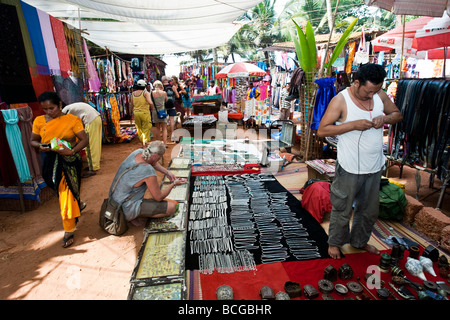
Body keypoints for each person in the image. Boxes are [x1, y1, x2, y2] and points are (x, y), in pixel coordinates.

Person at [317, 63, 403, 259]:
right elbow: (322, 130)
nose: (372, 95)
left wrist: (385, 119)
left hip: (374, 165)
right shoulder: (341, 100)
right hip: (349, 166)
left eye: (376, 90)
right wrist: (352, 125)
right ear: (356, 83)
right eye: (368, 91)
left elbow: (397, 115)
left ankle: (359, 242)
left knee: (368, 210)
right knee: (343, 207)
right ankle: (335, 243)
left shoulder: (379, 95)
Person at [31, 91, 89, 248]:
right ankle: (78, 203)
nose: (49, 112)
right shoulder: (39, 121)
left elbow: (84, 140)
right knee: (58, 188)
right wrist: (41, 146)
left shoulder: (72, 120)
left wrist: (71, 151)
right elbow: (33, 141)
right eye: (45, 109)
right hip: (49, 160)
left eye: (52, 108)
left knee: (65, 193)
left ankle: (69, 229)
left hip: (69, 160)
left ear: (60, 105)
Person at [108, 141, 186, 226]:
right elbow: (158, 197)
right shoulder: (148, 170)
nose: (159, 159)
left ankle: (134, 215)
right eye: (160, 157)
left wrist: (167, 172)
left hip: (114, 199)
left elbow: (153, 162)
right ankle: (131, 215)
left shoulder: (139, 152)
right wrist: (173, 184)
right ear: (156, 155)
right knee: (172, 207)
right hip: (124, 207)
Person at [62, 102, 102, 178]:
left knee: (90, 146)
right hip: (94, 118)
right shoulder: (70, 107)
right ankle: (92, 166)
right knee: (93, 144)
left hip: (91, 120)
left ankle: (93, 168)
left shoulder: (64, 111)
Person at [132, 79, 154, 147]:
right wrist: (152, 108)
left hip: (136, 113)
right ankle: (145, 144)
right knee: (146, 128)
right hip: (144, 113)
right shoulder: (145, 93)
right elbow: (150, 102)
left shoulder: (133, 93)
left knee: (139, 129)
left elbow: (131, 104)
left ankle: (142, 143)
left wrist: (132, 113)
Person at [151, 80, 169, 147]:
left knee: (157, 128)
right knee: (164, 128)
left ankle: (158, 144)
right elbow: (166, 100)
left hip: (155, 112)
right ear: (161, 86)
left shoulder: (151, 93)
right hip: (163, 111)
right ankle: (165, 143)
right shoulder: (164, 93)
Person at [161, 75, 177, 144]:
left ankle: (165, 133)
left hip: (164, 105)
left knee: (164, 120)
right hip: (171, 105)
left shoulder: (161, 87)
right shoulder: (172, 87)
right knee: (171, 120)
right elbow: (177, 95)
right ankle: (173, 134)